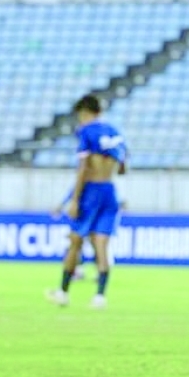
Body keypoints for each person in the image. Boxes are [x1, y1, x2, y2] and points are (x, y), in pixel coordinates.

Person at [46, 96, 127, 309]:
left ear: (84, 112)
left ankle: (63, 292)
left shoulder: (87, 131)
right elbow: (123, 166)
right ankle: (100, 296)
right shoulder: (115, 132)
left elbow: (83, 168)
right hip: (110, 190)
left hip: (90, 191)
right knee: (102, 244)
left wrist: (73, 200)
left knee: (75, 240)